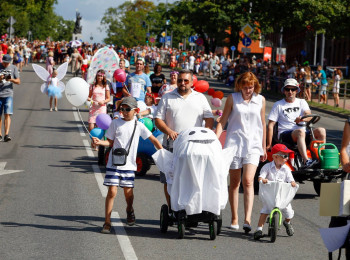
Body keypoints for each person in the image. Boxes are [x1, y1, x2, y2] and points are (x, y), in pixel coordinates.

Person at [92, 97, 163, 233]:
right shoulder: (115, 123)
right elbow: (110, 142)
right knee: (112, 191)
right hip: (114, 163)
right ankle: (107, 222)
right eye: (122, 109)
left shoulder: (139, 126)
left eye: (127, 109)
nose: (124, 112)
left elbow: (153, 139)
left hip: (129, 165)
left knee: (128, 194)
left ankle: (129, 209)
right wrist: (100, 142)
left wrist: (162, 153)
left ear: (135, 111)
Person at [155, 69, 214, 215]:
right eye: (180, 80)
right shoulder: (168, 97)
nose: (182, 83)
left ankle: (192, 209)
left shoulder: (200, 98)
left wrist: (205, 133)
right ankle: (172, 209)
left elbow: (209, 117)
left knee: (193, 178)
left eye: (186, 81)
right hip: (172, 144)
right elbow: (157, 119)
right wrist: (169, 131)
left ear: (192, 82)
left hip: (194, 146)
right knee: (170, 179)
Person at [215, 71, 266, 232]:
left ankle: (248, 219)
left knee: (249, 181)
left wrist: (264, 146)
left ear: (255, 86)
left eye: (250, 87)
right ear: (240, 86)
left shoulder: (261, 100)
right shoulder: (233, 99)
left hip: (253, 145)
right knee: (235, 183)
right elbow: (223, 122)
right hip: (234, 144)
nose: (248, 90)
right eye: (245, 87)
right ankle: (235, 217)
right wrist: (214, 140)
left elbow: (263, 124)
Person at [267, 78, 326, 168]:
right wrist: (269, 144)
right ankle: (306, 161)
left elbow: (308, 115)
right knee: (300, 132)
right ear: (284, 91)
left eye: (293, 89)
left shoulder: (301, 102)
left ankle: (321, 158)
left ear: (296, 90)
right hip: (285, 135)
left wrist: (302, 118)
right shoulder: (278, 105)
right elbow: (271, 125)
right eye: (287, 89)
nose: (290, 92)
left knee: (321, 130)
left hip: (301, 134)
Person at [253, 144, 297, 240]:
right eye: (285, 156)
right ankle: (259, 229)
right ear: (275, 156)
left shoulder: (286, 169)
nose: (287, 158)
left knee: (289, 212)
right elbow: (261, 176)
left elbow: (290, 179)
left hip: (282, 195)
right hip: (271, 195)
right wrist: (262, 179)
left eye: (287, 156)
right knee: (265, 211)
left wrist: (292, 183)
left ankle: (287, 222)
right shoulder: (267, 167)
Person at [87, 70, 111, 150]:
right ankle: (93, 141)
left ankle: (97, 143)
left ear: (103, 77)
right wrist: (88, 99)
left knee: (100, 127)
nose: (99, 77)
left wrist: (103, 101)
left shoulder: (105, 86)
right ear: (96, 77)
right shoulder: (93, 86)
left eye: (101, 76)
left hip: (102, 108)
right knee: (91, 127)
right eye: (98, 76)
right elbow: (89, 96)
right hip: (93, 108)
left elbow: (108, 98)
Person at [0, 54, 21, 142]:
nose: (5, 65)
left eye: (7, 63)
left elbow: (18, 81)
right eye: (4, 63)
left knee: (7, 114)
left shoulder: (13, 68)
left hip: (8, 94)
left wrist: (11, 79)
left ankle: (6, 134)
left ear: (10, 62)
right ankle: (0, 134)